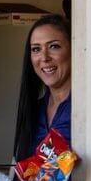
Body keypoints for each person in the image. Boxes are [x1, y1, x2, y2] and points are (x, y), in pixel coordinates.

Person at [13, 13, 72, 162]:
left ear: (73, 50)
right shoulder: (35, 109)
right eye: (36, 49)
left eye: (54, 46)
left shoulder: (88, 109)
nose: (44, 57)